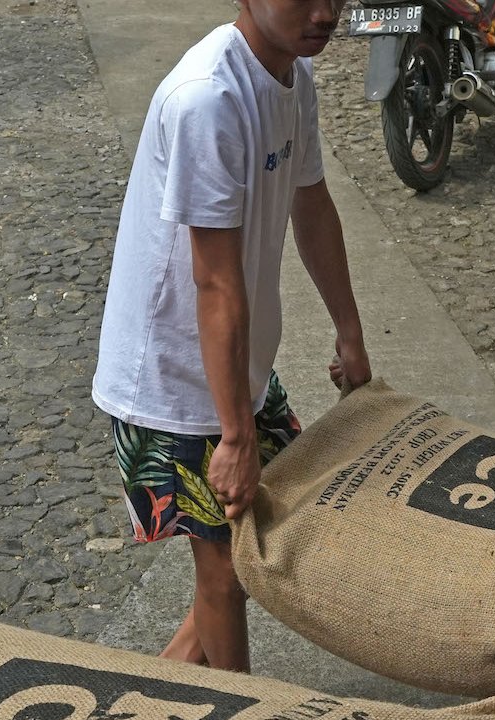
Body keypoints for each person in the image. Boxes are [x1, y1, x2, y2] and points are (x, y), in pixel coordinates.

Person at [93, 0, 372, 673]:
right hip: (170, 380)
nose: (326, 11)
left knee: (277, 527)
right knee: (224, 571)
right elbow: (214, 284)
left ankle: (161, 686)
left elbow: (312, 202)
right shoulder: (207, 102)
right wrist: (237, 438)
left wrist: (350, 332)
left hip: (234, 370)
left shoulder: (291, 75)